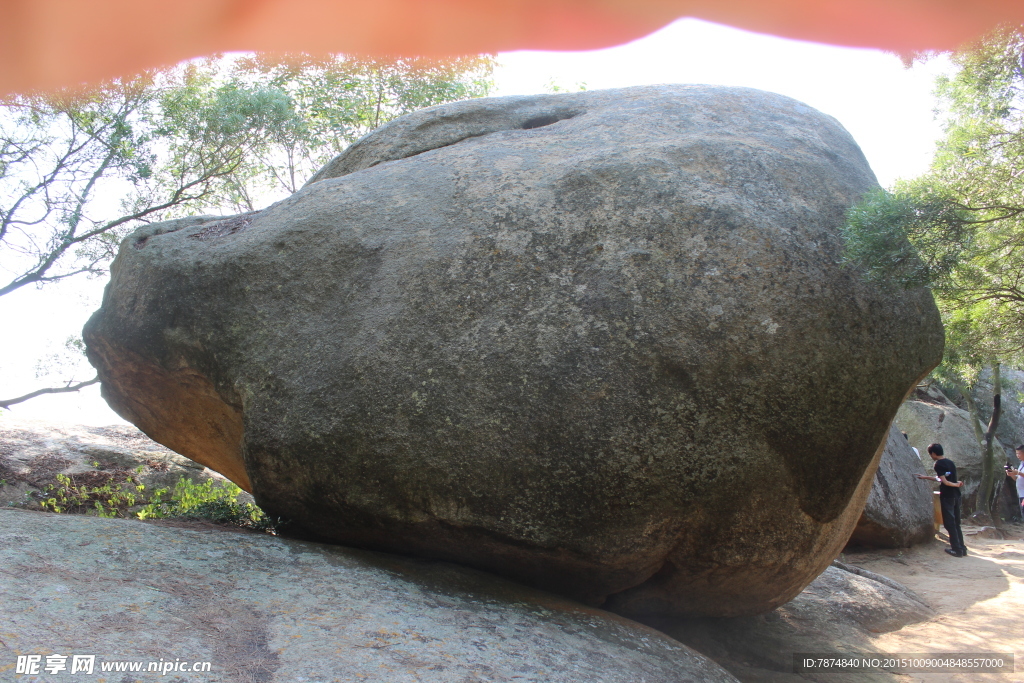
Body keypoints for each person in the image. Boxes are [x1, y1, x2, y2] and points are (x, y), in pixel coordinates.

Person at [915, 443, 966, 557]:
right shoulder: (950, 462)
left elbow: (946, 482)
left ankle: (956, 549)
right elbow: (942, 478)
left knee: (949, 523)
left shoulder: (938, 464)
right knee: (956, 523)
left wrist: (955, 485)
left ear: (933, 453)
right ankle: (962, 548)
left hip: (948, 495)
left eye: (930, 454)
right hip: (956, 495)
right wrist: (925, 477)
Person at [1006, 445, 1024, 520]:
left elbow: (1020, 474)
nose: (1017, 456)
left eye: (1019, 453)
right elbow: (1018, 479)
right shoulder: (1022, 464)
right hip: (1021, 494)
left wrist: (1018, 472)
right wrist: (1012, 474)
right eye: (1016, 453)